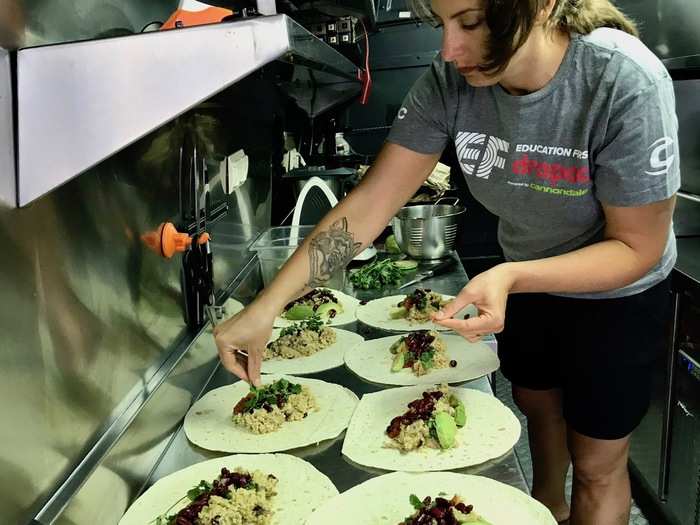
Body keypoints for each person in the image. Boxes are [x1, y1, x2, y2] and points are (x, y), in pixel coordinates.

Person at [213, 0, 679, 523]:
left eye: (473, 23)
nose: (448, 49)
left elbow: (636, 247)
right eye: (442, 24)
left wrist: (510, 274)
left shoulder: (621, 80)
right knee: (541, 416)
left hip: (614, 292)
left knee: (595, 465)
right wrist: (268, 306)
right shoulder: (450, 80)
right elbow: (369, 207)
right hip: (523, 281)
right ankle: (550, 503)